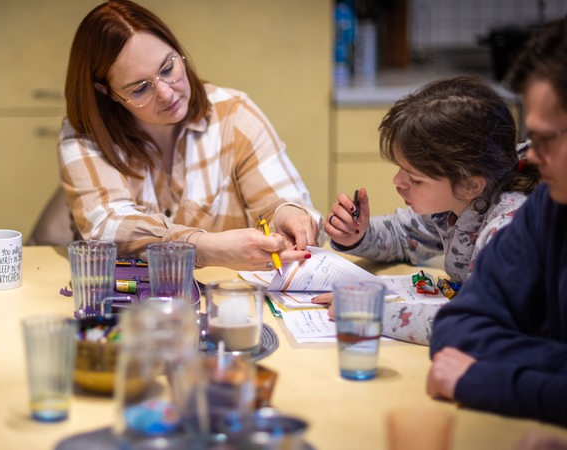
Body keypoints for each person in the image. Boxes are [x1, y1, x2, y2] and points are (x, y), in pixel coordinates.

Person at [58, 0, 321, 271]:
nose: (167, 94)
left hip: (230, 302)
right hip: (136, 307)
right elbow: (108, 226)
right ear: (107, 92)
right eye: (140, 89)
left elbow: (279, 200)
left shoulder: (234, 114)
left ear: (177, 51)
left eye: (168, 69)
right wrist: (204, 248)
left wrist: (289, 214)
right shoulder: (85, 135)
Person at [314, 75, 539, 345]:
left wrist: (368, 309)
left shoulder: (508, 230)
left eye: (415, 178)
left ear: (470, 184)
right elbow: (404, 236)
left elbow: (478, 325)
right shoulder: (461, 201)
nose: (398, 182)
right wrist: (358, 235)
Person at [427, 16, 567, 426]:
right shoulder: (550, 205)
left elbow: (468, 360)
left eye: (543, 139)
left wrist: (491, 380)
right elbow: (458, 326)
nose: (531, 157)